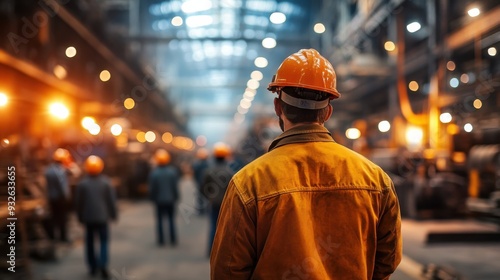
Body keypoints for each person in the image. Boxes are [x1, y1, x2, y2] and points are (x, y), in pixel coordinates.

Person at [210, 49, 402, 279]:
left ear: (278, 108)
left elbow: (228, 270)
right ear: (328, 112)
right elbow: (387, 261)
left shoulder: (249, 182)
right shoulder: (375, 180)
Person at [75, 155, 117, 279]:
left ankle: (92, 267)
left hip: (88, 218)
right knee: (103, 242)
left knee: (90, 243)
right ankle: (103, 265)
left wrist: (80, 217)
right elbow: (111, 201)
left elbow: (78, 203)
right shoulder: (106, 182)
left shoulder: (82, 184)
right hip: (102, 218)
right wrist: (113, 214)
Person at [201, 142, 234, 257]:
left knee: (213, 227)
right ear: (226, 156)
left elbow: (203, 188)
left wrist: (209, 197)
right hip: (226, 203)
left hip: (213, 202)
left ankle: (211, 251)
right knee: (225, 228)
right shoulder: (230, 172)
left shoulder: (209, 171)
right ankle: (223, 253)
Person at [149, 149, 180, 246]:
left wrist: (152, 198)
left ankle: (161, 240)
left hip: (159, 200)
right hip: (170, 200)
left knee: (159, 221)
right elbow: (174, 186)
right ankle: (172, 239)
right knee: (171, 220)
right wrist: (176, 196)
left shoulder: (154, 173)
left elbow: (152, 188)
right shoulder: (172, 172)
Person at [44, 148, 71, 243]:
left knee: (54, 217)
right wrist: (66, 196)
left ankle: (53, 237)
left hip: (51, 198)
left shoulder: (48, 170)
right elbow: (63, 186)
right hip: (60, 198)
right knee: (62, 218)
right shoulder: (60, 171)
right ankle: (63, 237)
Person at [192, 148, 210, 215]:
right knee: (207, 197)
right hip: (207, 183)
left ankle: (200, 210)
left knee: (200, 197)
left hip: (200, 182)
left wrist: (196, 181)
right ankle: (207, 210)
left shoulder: (197, 164)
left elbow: (195, 174)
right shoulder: (209, 164)